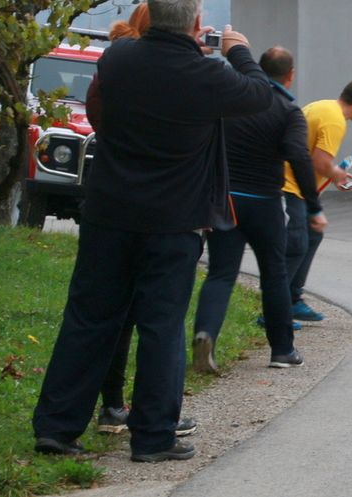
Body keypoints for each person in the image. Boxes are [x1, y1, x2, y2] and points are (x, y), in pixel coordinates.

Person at [32, 0, 273, 462]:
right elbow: (262, 95)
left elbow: (103, 105)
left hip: (109, 210)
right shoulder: (208, 75)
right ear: (197, 24)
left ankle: (57, 428)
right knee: (161, 326)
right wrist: (238, 51)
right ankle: (153, 436)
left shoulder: (118, 58)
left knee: (88, 318)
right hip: (173, 221)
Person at [86, 0, 196, 439]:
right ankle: (154, 418)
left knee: (110, 315)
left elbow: (98, 119)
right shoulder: (175, 72)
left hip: (111, 201)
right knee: (158, 322)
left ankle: (110, 403)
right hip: (161, 212)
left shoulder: (113, 67)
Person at [191, 46, 326, 374]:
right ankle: (282, 350)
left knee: (221, 273)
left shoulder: (230, 104)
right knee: (274, 274)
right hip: (265, 202)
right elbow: (298, 155)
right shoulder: (288, 111)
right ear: (290, 75)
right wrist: (313, 206)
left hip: (226, 200)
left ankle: (205, 333)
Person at [281, 78, 352, 322]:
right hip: (291, 185)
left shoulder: (320, 106)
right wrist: (336, 173)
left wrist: (334, 176)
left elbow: (311, 153)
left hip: (294, 184)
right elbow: (320, 161)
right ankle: (277, 308)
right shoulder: (336, 121)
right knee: (297, 245)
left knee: (312, 235)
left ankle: (293, 299)